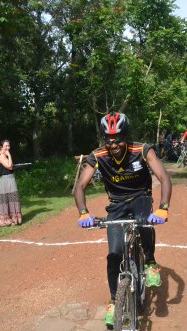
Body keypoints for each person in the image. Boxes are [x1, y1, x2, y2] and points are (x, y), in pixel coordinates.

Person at [74, 112, 172, 329]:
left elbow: (164, 178)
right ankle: (114, 301)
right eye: (108, 139)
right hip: (116, 204)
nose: (114, 144)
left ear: (126, 136)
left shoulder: (142, 150)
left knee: (143, 220)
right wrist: (83, 212)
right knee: (113, 254)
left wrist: (163, 208)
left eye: (118, 138)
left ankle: (150, 263)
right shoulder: (98, 155)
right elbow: (80, 186)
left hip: (141, 197)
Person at [0, 140, 22, 227]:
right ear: (1, 146)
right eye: (6, 146)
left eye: (9, 146)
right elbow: (9, 166)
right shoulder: (0, 155)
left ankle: (14, 219)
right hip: (5, 180)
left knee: (13, 197)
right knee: (7, 198)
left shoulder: (4, 155)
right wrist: (9, 155)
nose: (8, 148)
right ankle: (5, 220)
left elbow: (10, 167)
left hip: (10, 178)